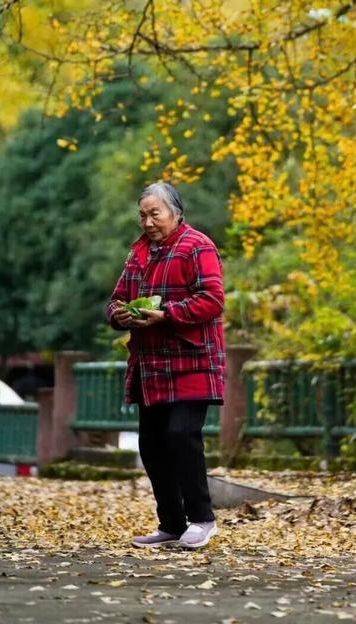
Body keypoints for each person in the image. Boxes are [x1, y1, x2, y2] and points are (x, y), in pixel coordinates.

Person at [106, 181, 226, 549]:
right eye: (142, 214)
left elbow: (213, 299)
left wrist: (166, 314)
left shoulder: (197, 246)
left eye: (154, 213)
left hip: (193, 361)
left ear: (175, 212)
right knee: (152, 445)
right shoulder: (138, 254)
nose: (147, 221)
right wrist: (122, 316)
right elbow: (115, 301)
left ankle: (202, 519)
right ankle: (171, 523)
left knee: (180, 435)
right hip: (150, 365)